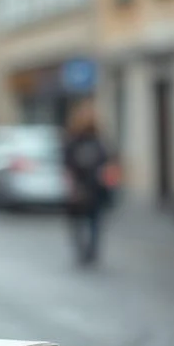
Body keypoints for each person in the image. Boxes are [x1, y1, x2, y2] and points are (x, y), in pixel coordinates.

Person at [63, 100, 115, 266]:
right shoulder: (78, 141)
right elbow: (67, 165)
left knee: (90, 222)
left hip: (92, 188)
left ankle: (89, 251)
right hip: (87, 187)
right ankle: (87, 251)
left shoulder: (95, 140)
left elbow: (108, 163)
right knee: (86, 222)